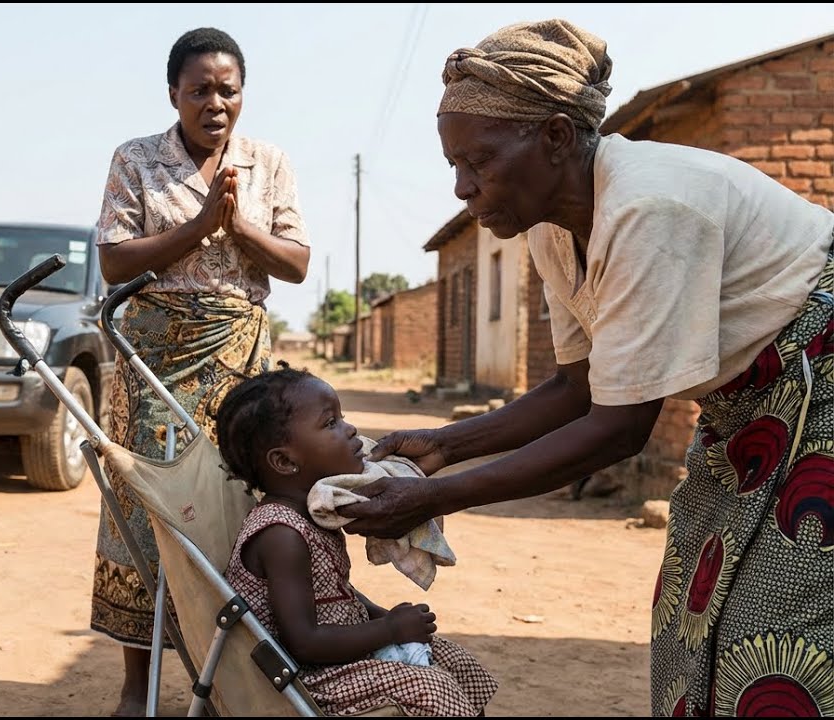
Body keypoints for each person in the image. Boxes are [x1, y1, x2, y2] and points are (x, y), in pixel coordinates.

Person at [338, 19, 834, 717]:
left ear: (556, 138)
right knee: (692, 603)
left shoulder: (649, 207)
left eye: (478, 161)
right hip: (745, 406)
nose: (462, 188)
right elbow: (578, 386)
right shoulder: (548, 226)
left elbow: (619, 429)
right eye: (454, 165)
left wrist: (435, 498)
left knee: (780, 628)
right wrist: (443, 448)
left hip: (820, 385)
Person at [90, 26, 311, 716]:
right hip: (151, 357)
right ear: (174, 95)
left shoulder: (267, 161)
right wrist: (197, 228)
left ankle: (221, 682)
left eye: (228, 90)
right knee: (147, 503)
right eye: (200, 90)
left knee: (228, 511)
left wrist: (239, 228)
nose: (215, 103)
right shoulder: (135, 159)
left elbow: (297, 262)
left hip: (235, 363)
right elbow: (115, 261)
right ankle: (138, 687)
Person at [215, 366, 498, 716]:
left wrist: (380, 615)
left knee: (449, 656)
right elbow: (304, 643)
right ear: (285, 461)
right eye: (330, 422)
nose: (350, 429)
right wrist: (388, 629)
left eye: (342, 417)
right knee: (431, 687)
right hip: (310, 680)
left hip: (339, 657)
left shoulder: (314, 513)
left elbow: (333, 589)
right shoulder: (281, 534)